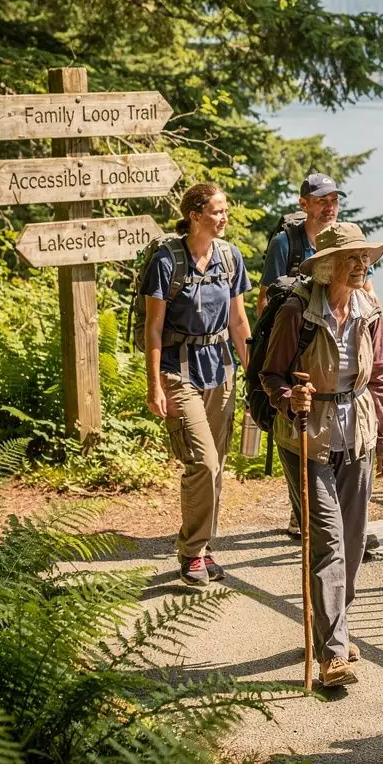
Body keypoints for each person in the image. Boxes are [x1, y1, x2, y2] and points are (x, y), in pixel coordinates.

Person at [261, 222, 383, 688]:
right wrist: (288, 398)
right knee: (329, 541)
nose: (361, 266)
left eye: (364, 258)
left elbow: (377, 376)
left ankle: (334, 622)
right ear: (327, 266)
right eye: (352, 259)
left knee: (354, 542)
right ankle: (332, 654)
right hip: (306, 434)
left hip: (356, 428)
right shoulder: (297, 310)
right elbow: (270, 375)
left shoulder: (369, 309)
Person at [143, 183, 252, 587]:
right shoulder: (166, 261)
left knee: (217, 467)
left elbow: (239, 324)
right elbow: (153, 327)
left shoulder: (229, 257)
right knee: (203, 463)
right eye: (217, 211)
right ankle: (191, 553)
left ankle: (203, 548)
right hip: (178, 370)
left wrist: (256, 376)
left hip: (221, 370)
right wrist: (154, 385)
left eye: (225, 211)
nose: (224, 218)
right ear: (195, 215)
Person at [257, 173, 341, 316]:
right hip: (296, 334)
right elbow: (265, 298)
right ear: (304, 204)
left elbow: (367, 291)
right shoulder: (283, 244)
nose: (330, 207)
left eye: (334, 200)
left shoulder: (347, 242)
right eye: (322, 201)